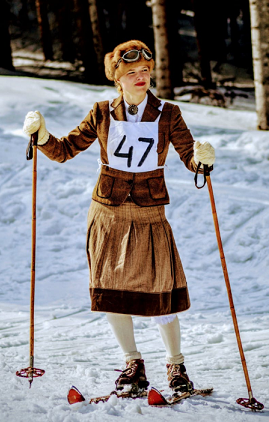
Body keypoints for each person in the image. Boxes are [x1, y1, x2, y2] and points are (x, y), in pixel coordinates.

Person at [23, 40, 215, 395]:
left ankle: (176, 365)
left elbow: (189, 154)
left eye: (145, 70)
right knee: (111, 290)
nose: (141, 77)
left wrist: (201, 160)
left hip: (149, 213)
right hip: (107, 213)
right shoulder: (101, 113)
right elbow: (65, 150)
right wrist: (43, 137)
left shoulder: (168, 113)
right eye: (132, 72)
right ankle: (133, 364)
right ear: (118, 78)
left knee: (160, 289)